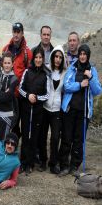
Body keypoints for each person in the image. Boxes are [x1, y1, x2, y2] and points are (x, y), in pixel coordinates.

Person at [59, 44, 101, 176]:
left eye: (85, 54)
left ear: (87, 56)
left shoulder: (92, 70)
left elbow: (97, 91)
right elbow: (66, 86)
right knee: (67, 137)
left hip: (83, 111)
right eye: (80, 54)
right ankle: (64, 165)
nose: (82, 56)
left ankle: (75, 166)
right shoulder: (72, 68)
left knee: (79, 139)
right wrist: (80, 84)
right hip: (70, 109)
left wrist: (91, 78)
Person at [18, 47, 49, 175]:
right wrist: (28, 96)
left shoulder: (45, 75)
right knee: (25, 136)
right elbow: (20, 88)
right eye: (36, 57)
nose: (38, 59)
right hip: (26, 110)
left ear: (43, 59)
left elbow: (47, 95)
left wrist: (36, 98)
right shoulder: (27, 71)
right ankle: (23, 162)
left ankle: (30, 164)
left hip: (37, 112)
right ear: (33, 58)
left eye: (40, 57)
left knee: (34, 137)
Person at [38, 46, 66, 174]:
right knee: (42, 136)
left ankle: (53, 163)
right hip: (45, 108)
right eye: (56, 56)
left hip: (56, 110)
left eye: (60, 57)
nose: (58, 59)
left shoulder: (65, 73)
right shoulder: (46, 69)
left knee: (55, 137)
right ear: (52, 56)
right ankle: (43, 161)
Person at [2, 22, 33, 137]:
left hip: (20, 95)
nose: (16, 34)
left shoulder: (27, 53)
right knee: (6, 122)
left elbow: (29, 74)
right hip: (7, 94)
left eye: (18, 32)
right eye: (14, 31)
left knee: (16, 123)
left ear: (22, 33)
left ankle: (13, 148)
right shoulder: (5, 49)